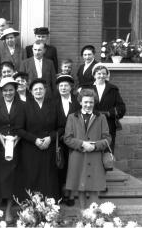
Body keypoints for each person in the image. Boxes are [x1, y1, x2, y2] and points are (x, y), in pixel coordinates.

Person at [64, 88, 111, 209]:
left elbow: (107, 138)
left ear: (94, 102)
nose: (88, 105)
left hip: (95, 157)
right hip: (78, 157)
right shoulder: (72, 117)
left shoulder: (101, 117)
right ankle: (83, 214)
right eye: (85, 102)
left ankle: (94, 216)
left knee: (95, 187)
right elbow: (67, 138)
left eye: (91, 102)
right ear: (80, 102)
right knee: (81, 187)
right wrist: (82, 144)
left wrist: (94, 146)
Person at [16, 78, 62, 202]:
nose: (38, 91)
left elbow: (61, 127)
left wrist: (50, 138)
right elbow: (19, 129)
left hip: (49, 146)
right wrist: (35, 140)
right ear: (30, 91)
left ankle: (50, 207)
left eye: (41, 88)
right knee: (32, 176)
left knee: (49, 177)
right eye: (35, 89)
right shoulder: (24, 107)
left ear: (45, 90)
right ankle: (31, 207)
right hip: (31, 148)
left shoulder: (54, 106)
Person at [0, 77, 23, 222]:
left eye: (11, 90)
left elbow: (26, 126)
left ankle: (8, 210)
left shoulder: (22, 105)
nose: (8, 93)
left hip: (16, 147)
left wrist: (17, 138)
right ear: (1, 92)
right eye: (5, 90)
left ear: (15, 90)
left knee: (12, 180)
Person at [54, 74, 81, 206]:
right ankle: (58, 194)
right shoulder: (53, 102)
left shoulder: (77, 102)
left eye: (66, 85)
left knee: (72, 168)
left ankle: (70, 195)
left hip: (74, 141)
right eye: (61, 86)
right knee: (59, 168)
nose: (63, 88)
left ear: (71, 87)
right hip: (58, 141)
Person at [91, 64, 126, 152]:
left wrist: (109, 113)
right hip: (91, 124)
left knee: (107, 152)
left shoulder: (113, 89)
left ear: (107, 75)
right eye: (99, 73)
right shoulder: (88, 88)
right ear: (94, 75)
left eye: (104, 74)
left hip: (108, 124)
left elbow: (121, 108)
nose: (101, 76)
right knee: (92, 149)